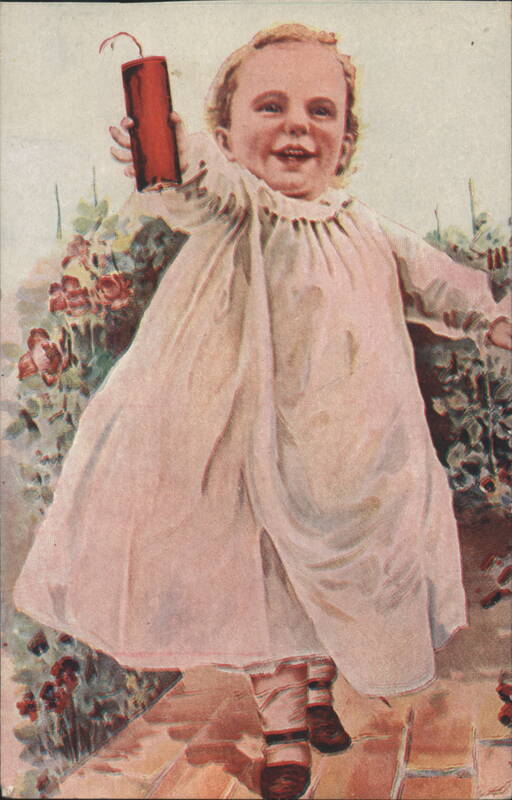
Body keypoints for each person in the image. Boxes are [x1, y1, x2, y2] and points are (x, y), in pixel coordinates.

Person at [14, 23, 511, 800]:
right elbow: (195, 188)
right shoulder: (241, 210)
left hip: (353, 446)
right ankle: (283, 727)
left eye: (321, 112)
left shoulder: (364, 227)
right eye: (271, 107)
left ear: (346, 140)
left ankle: (318, 691)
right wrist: (169, 147)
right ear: (228, 132)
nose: (296, 128)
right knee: (264, 579)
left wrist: (489, 317)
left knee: (340, 574)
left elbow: (438, 282)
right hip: (249, 435)